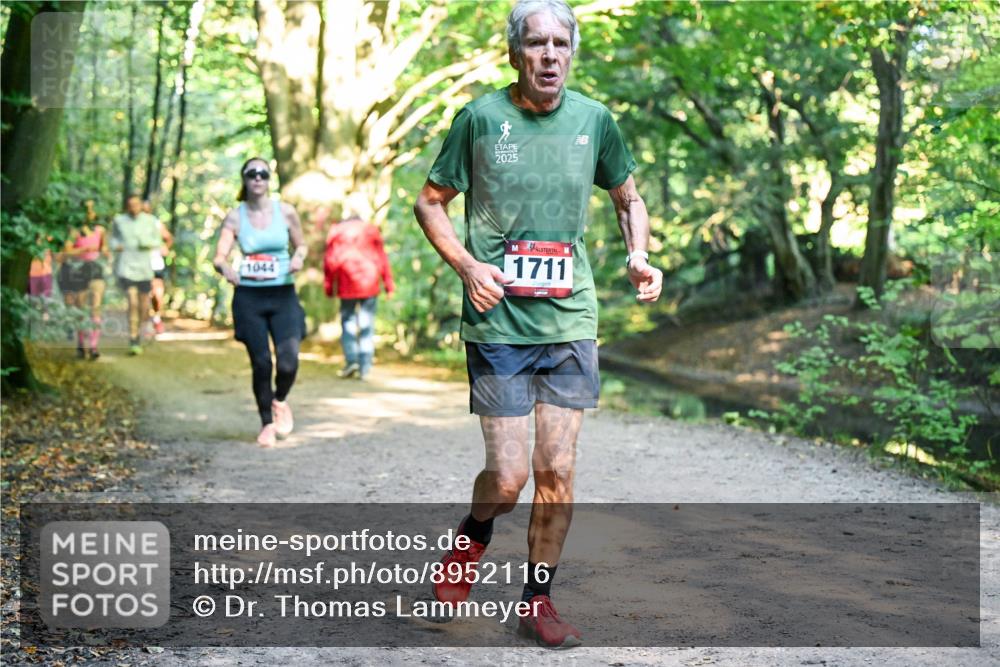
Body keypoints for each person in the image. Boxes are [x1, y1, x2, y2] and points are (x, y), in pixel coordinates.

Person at [413, 0, 662, 648]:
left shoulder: (595, 121)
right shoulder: (479, 118)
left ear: (572, 52)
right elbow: (431, 201)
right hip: (497, 322)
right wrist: (468, 265)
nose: (550, 55)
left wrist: (638, 255)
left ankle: (537, 599)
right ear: (514, 53)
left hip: (569, 317)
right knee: (509, 475)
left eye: (560, 43)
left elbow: (628, 198)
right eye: (536, 43)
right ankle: (471, 536)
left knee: (557, 467)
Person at [212, 157, 307, 448]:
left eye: (263, 174)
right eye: (251, 174)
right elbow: (220, 256)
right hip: (249, 297)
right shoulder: (235, 216)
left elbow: (301, 244)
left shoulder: (286, 212)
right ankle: (267, 423)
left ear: (269, 179)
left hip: (283, 295)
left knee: (288, 361)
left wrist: (298, 257)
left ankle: (279, 400)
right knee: (262, 362)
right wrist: (225, 268)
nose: (257, 178)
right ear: (244, 179)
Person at [323, 202, 395, 380]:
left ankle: (351, 361)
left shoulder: (337, 231)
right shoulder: (371, 230)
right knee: (366, 324)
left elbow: (330, 260)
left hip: (346, 283)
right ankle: (365, 367)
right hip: (369, 282)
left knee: (347, 321)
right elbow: (381, 258)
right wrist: (388, 284)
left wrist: (328, 286)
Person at [110, 194, 161, 355]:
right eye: (130, 205)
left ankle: (139, 333)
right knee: (132, 302)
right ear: (127, 206)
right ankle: (133, 338)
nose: (133, 207)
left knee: (144, 306)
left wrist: (147, 244)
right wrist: (116, 246)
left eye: (136, 204)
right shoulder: (119, 221)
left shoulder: (151, 220)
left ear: (141, 205)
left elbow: (158, 241)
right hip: (126, 268)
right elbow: (112, 239)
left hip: (144, 269)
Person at [59, 200, 110, 359]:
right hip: (78, 270)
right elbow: (66, 251)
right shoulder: (74, 231)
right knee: (80, 308)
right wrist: (84, 249)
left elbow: (104, 249)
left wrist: (106, 252)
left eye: (91, 210)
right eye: (86, 209)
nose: (89, 213)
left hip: (95, 269)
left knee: (95, 307)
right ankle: (81, 345)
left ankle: (94, 347)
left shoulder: (101, 230)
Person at [143, 200, 174, 335]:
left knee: (157, 295)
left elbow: (168, 238)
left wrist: (165, 248)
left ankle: (156, 318)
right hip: (139, 266)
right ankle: (144, 325)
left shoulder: (156, 224)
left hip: (155, 263)